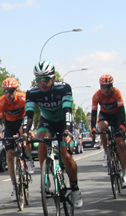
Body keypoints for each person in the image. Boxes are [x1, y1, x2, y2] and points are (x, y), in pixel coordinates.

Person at [24, 61, 83, 207]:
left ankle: (75, 189)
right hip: (47, 121)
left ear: (53, 77)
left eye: (46, 79)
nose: (42, 83)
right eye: (38, 79)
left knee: (66, 155)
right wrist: (25, 132)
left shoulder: (63, 88)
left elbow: (67, 111)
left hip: (64, 121)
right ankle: (45, 177)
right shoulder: (32, 92)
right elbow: (29, 115)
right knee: (42, 140)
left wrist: (68, 130)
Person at [0, 77, 29, 202]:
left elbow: (30, 116)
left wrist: (28, 130)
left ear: (16, 90)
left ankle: (28, 159)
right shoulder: (2, 101)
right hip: (9, 125)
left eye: (11, 91)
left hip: (22, 122)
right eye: (5, 91)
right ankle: (14, 187)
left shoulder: (23, 98)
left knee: (23, 134)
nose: (8, 94)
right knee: (9, 155)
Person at [90, 74, 126, 187]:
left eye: (109, 86)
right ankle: (106, 152)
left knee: (120, 144)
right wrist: (93, 127)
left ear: (112, 86)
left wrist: (122, 124)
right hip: (105, 116)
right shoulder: (96, 95)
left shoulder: (117, 93)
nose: (107, 90)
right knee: (102, 127)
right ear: (100, 86)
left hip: (117, 116)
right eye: (104, 87)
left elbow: (122, 110)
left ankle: (125, 174)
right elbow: (93, 114)